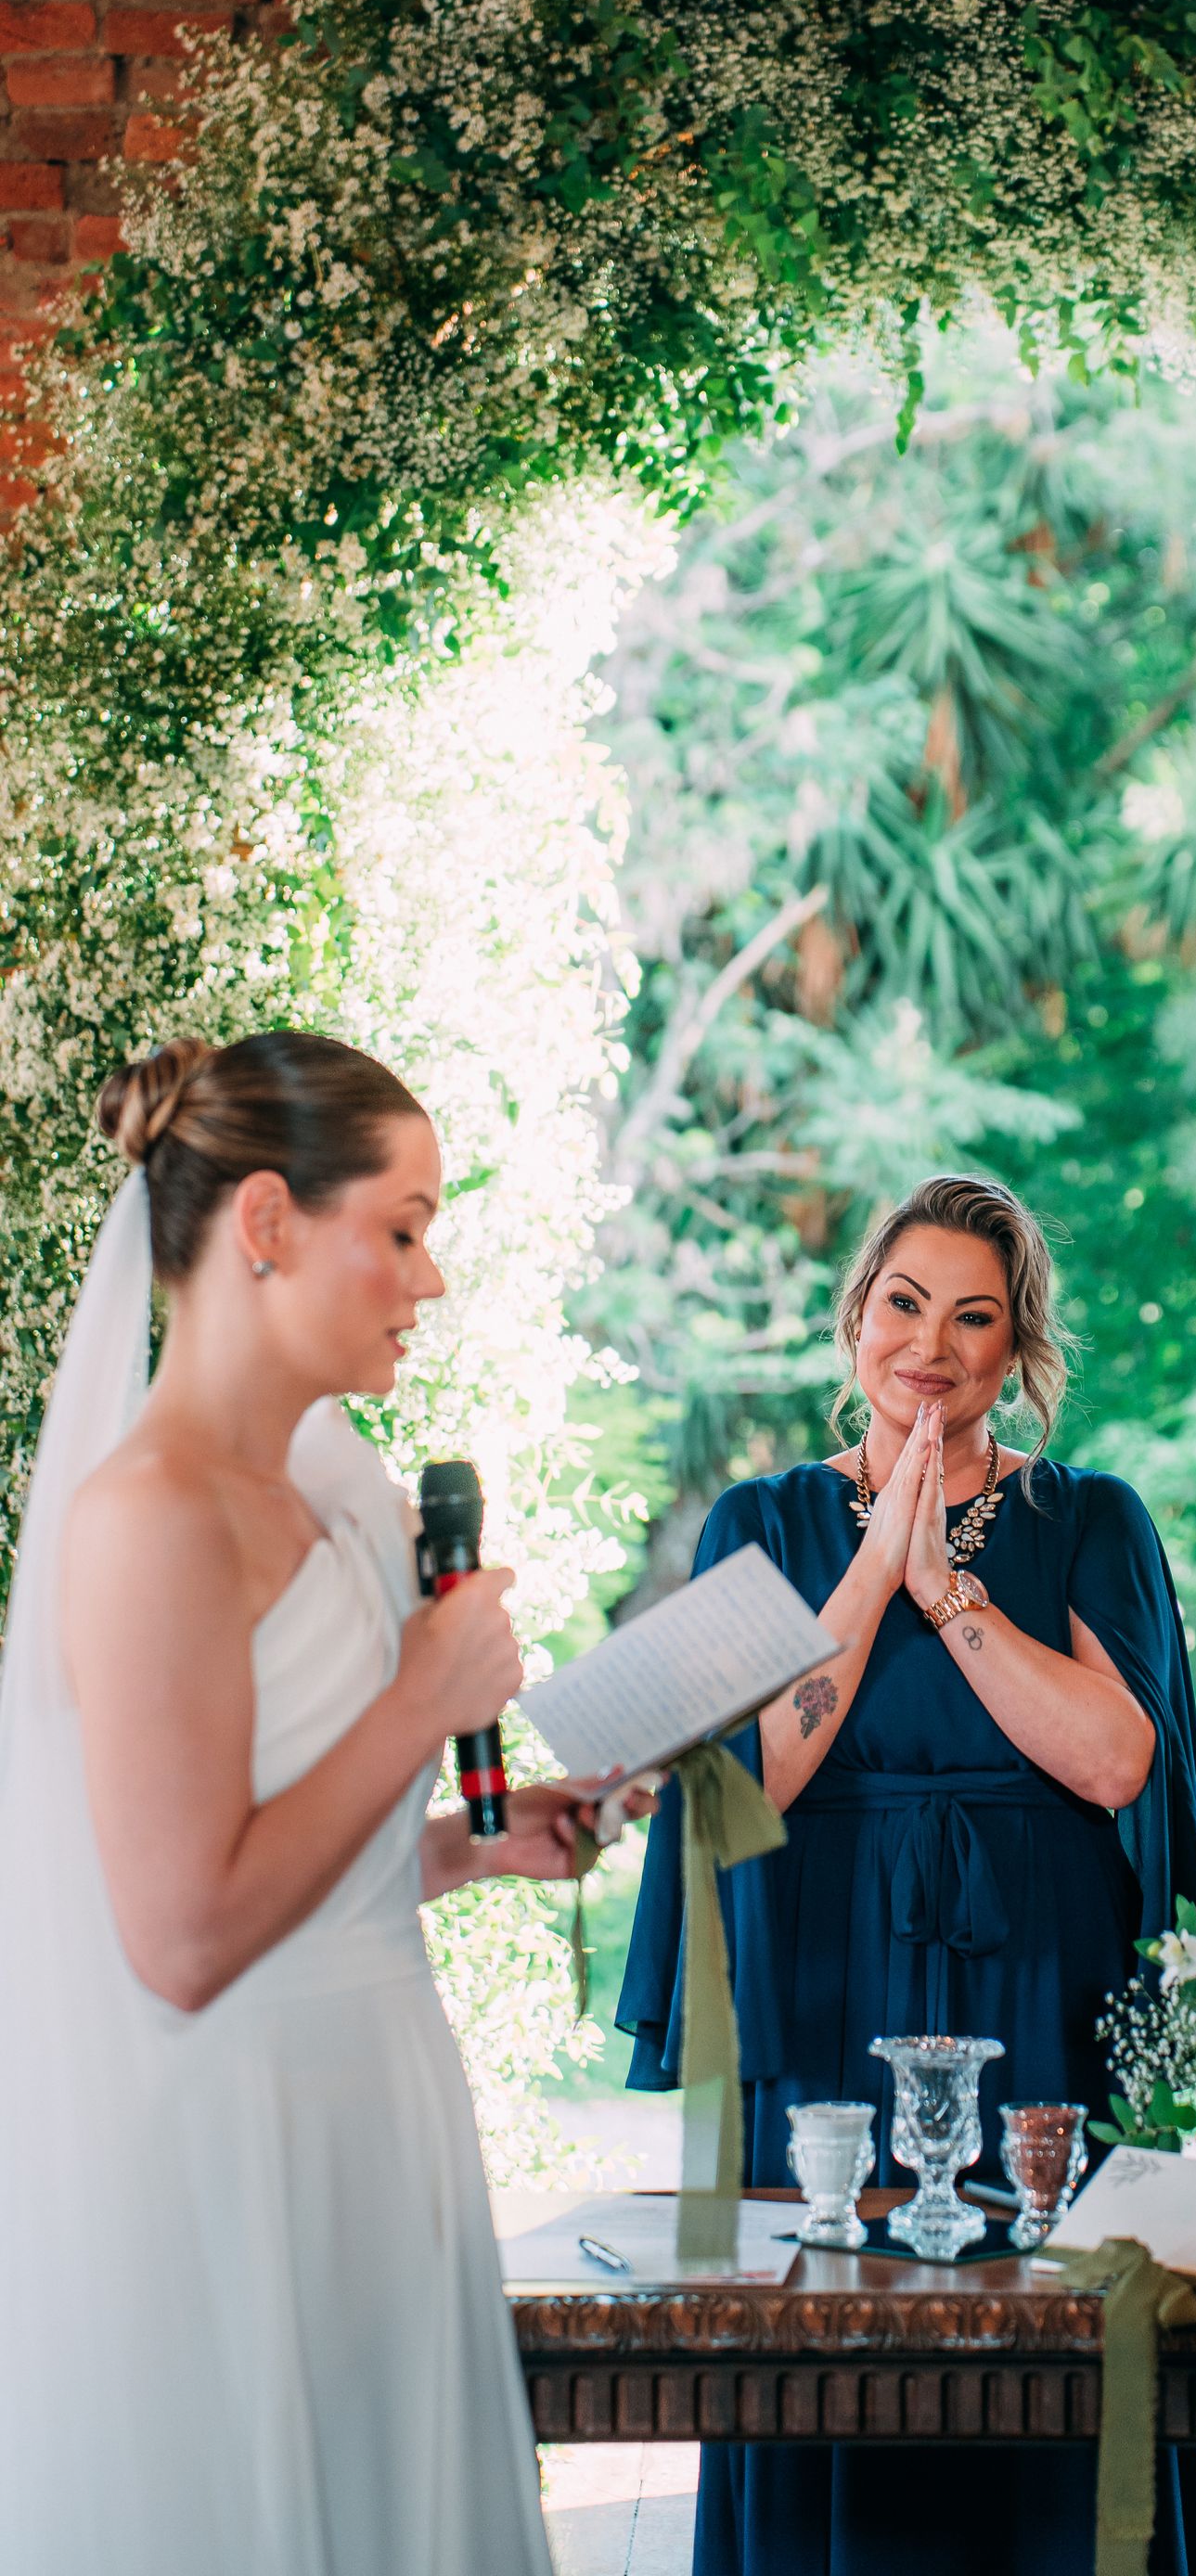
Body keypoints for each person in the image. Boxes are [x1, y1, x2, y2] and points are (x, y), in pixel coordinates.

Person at [0, 1032, 648, 2576]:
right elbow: (183, 1936)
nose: (431, 1281)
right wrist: (423, 1697)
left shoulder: (332, 1488)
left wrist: (464, 1848)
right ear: (270, 1223)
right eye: (404, 1231)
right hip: (236, 2142)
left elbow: (282, 1844)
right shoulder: (148, 1516)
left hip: (379, 2105)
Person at [619, 1172, 1196, 2576]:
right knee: (824, 2354)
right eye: (903, 1303)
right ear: (854, 1320)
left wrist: (948, 1588)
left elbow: (1115, 1763)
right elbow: (733, 1792)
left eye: (974, 1317)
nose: (929, 1346)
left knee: (1048, 2370)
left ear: (1018, 1350)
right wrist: (872, 1571)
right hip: (820, 1993)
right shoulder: (753, 1524)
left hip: (1042, 1996)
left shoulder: (1096, 1518)